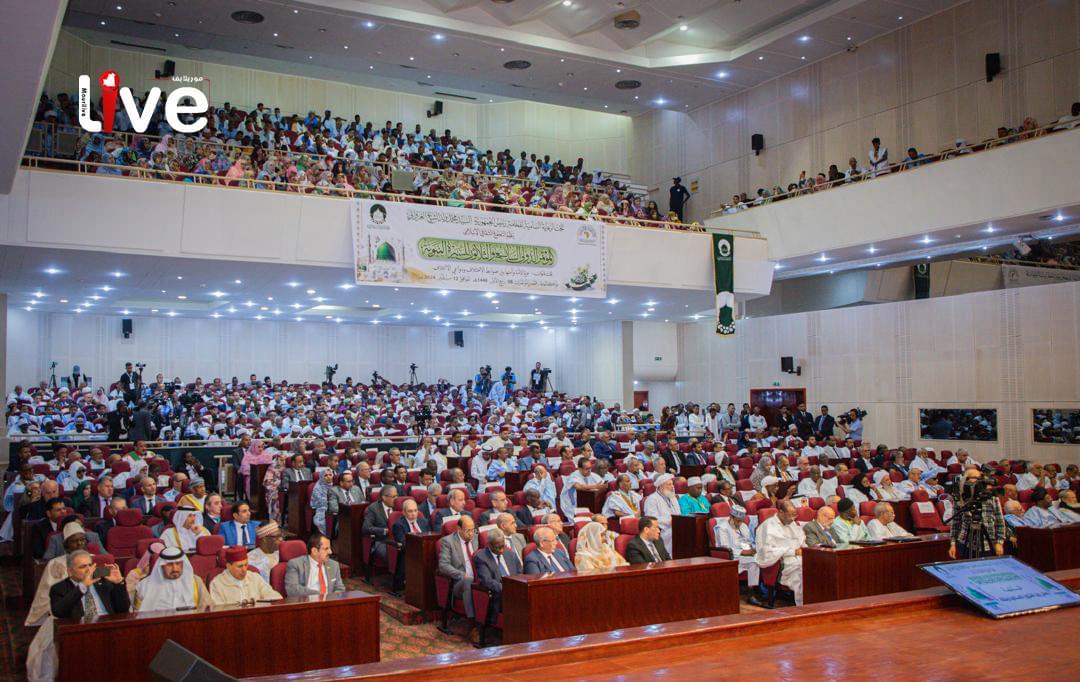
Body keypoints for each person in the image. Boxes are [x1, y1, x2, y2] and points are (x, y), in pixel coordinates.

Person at [755, 500, 805, 606]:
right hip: (783, 563)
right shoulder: (768, 526)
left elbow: (801, 539)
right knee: (802, 573)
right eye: (790, 515)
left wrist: (804, 549)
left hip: (799, 557)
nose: (793, 519)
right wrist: (793, 551)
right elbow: (767, 552)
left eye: (795, 516)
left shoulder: (792, 524)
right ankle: (804, 606)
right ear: (781, 512)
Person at [473, 528, 522, 634]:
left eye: (503, 546)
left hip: (516, 590)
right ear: (489, 545)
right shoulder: (481, 557)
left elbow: (520, 573)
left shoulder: (511, 554)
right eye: (497, 547)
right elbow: (487, 581)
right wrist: (508, 589)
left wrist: (518, 587)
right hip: (499, 594)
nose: (501, 550)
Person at [948, 468, 1006, 559]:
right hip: (965, 543)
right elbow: (956, 522)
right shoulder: (960, 498)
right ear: (965, 480)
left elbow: (1000, 521)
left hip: (988, 543)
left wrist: (1000, 542)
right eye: (972, 478)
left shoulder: (991, 496)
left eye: (978, 478)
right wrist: (953, 543)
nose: (976, 481)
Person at [135, 546, 211, 611]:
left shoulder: (195, 581)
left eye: (178, 563)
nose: (175, 569)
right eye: (169, 564)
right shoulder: (144, 586)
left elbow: (208, 607)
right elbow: (137, 615)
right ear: (162, 565)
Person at [437, 515, 479, 624]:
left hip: (478, 579)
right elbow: (443, 565)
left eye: (473, 530)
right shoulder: (448, 542)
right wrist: (462, 575)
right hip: (459, 582)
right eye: (468, 530)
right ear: (459, 529)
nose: (471, 533)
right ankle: (473, 623)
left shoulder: (477, 538)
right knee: (468, 580)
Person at [713, 506, 760, 601]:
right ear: (731, 517)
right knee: (754, 562)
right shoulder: (722, 528)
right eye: (738, 521)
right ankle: (751, 594)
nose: (740, 523)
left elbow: (748, 541)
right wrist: (743, 552)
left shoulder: (743, 526)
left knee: (759, 559)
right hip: (730, 558)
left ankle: (754, 590)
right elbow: (724, 548)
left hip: (744, 556)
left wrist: (752, 549)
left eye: (741, 521)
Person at [209, 546, 282, 605]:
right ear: (228, 566)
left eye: (246, 565)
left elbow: (275, 597)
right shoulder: (217, 583)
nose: (244, 570)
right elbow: (218, 611)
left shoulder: (255, 577)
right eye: (239, 566)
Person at [391, 498, 430, 593]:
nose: (413, 513)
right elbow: (403, 543)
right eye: (410, 511)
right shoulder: (398, 525)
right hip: (409, 552)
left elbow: (430, 537)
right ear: (404, 512)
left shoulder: (424, 522)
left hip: (425, 550)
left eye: (415, 510)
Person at [642, 474, 680, 555]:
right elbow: (651, 519)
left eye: (672, 484)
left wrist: (677, 521)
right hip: (661, 529)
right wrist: (669, 521)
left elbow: (678, 513)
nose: (672, 486)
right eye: (669, 484)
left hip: (675, 526)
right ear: (661, 487)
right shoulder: (652, 499)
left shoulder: (672, 497)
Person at [362, 485, 397, 565]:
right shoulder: (373, 508)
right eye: (393, 497)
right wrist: (384, 531)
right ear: (384, 498)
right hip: (381, 541)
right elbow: (366, 528)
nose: (396, 499)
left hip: (396, 539)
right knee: (391, 555)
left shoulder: (398, 506)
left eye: (397, 496)